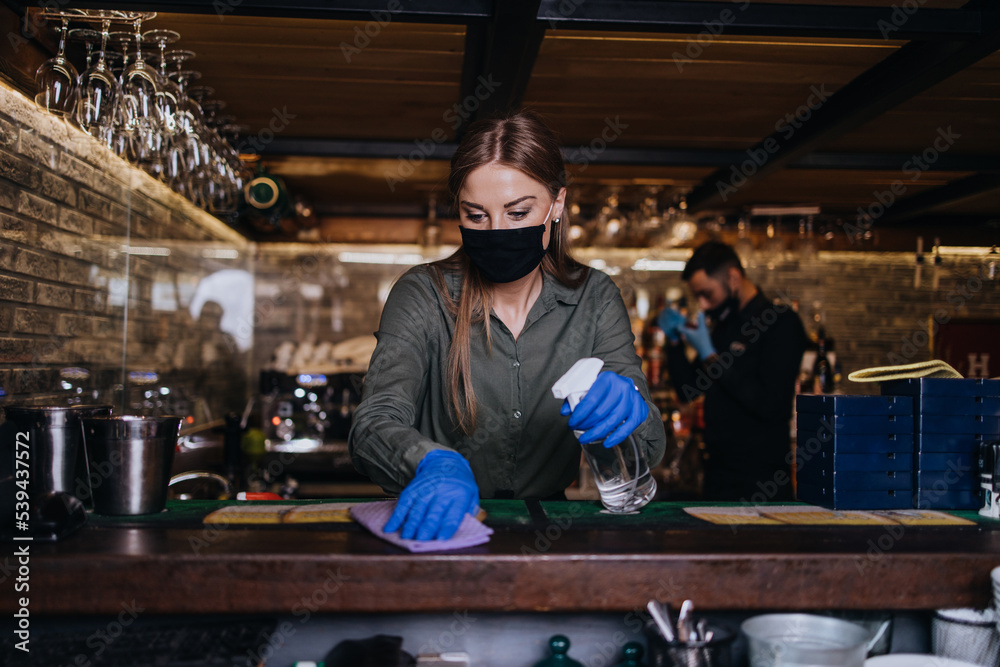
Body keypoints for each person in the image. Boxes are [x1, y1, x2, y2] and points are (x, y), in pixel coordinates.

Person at [349, 111, 666, 541]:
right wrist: (429, 462)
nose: (497, 231)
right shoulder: (423, 294)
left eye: (517, 213)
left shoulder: (594, 298)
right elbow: (373, 423)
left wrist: (631, 411)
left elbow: (649, 450)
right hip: (438, 528)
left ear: (556, 205)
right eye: (476, 215)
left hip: (550, 533)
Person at [659, 241, 806, 501]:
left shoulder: (781, 322)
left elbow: (772, 405)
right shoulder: (722, 328)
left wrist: (711, 357)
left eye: (707, 294)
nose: (703, 305)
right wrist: (674, 343)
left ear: (734, 278)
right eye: (697, 297)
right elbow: (687, 390)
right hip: (716, 474)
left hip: (762, 479)